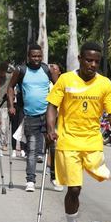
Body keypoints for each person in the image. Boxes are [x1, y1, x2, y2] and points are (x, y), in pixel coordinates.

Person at [46, 42, 111, 222]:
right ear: (80, 59)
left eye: (96, 62)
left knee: (99, 172)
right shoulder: (65, 79)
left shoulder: (105, 84)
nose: (92, 64)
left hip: (92, 142)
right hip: (68, 141)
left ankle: (95, 170)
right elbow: (52, 106)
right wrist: (50, 130)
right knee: (74, 189)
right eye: (89, 60)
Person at [7, 44, 58, 192]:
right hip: (30, 115)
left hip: (48, 115)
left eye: (39, 56)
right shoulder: (21, 70)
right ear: (28, 57)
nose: (36, 59)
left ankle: (54, 177)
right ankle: (30, 180)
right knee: (32, 148)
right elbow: (11, 87)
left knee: (53, 147)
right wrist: (11, 105)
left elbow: (60, 87)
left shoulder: (47, 70)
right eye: (33, 56)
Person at [47, 62, 64, 192]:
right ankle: (52, 171)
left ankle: (55, 173)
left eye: (55, 68)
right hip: (49, 117)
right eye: (51, 68)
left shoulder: (64, 83)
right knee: (50, 145)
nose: (53, 69)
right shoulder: (47, 83)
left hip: (62, 119)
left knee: (57, 148)